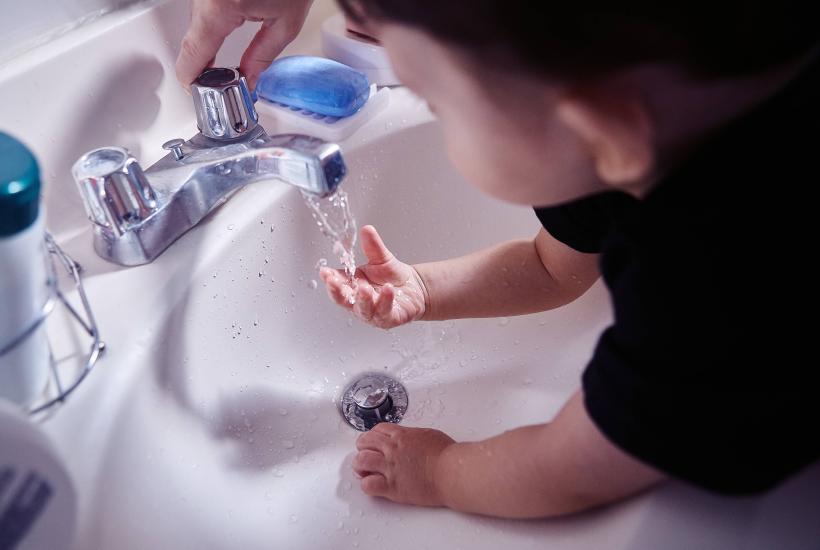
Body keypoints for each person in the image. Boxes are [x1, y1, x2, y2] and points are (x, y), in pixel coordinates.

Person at [177, 1, 819, 518]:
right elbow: (551, 268)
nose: (434, 117)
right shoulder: (639, 117)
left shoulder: (715, 281)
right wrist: (423, 290)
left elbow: (574, 468)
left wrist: (439, 471)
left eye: (437, 103)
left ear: (599, 129)